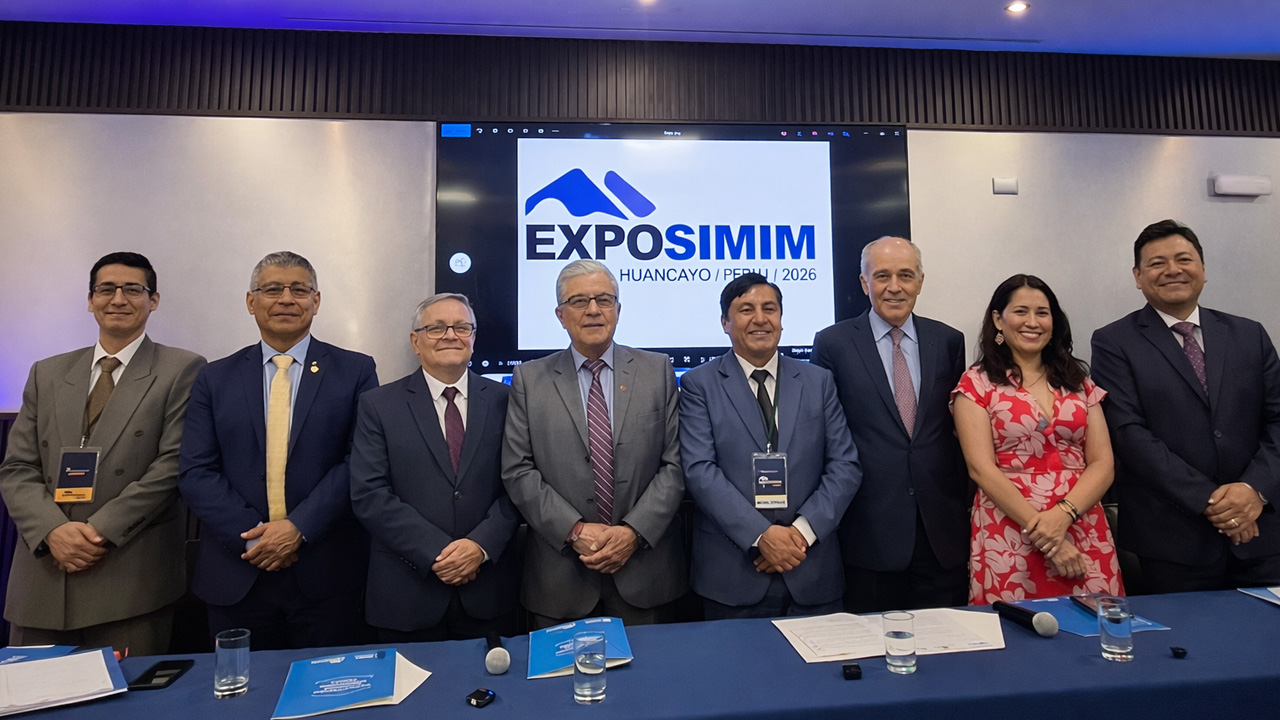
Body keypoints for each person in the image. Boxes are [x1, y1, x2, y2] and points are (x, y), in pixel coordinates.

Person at [0, 252, 204, 655]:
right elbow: (18, 467)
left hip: (127, 576)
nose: (118, 299)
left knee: (126, 693)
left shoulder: (183, 369)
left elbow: (172, 466)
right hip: (43, 573)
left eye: (133, 289)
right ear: (90, 300)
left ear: (153, 300)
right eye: (106, 289)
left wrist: (97, 532)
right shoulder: (47, 373)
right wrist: (53, 531)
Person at [178, 251, 378, 649]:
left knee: (327, 686)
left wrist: (298, 528)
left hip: (325, 573)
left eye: (299, 290)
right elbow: (196, 471)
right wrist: (255, 539)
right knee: (242, 687)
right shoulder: (214, 378)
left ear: (315, 301)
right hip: (237, 572)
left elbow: (359, 461)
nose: (286, 299)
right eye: (272, 289)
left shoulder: (355, 370)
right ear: (251, 301)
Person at [1091, 220, 1280, 592]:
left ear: (1203, 270)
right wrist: (1213, 502)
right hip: (1173, 538)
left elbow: (1277, 419)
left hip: (1261, 529)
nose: (1172, 270)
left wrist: (1252, 490)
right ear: (1138, 277)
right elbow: (1128, 433)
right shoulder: (1114, 342)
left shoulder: (1249, 334)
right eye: (1157, 263)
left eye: (1184, 259)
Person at [502, 259, 687, 629]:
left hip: (645, 573)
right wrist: (574, 531)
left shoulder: (658, 371)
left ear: (618, 309)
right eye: (578, 301)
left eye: (604, 299)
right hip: (560, 579)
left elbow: (676, 463)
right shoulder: (529, 379)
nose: (592, 310)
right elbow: (517, 469)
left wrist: (633, 532)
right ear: (560, 315)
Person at [680, 273, 861, 619]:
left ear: (781, 318)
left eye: (770, 308)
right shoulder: (698, 384)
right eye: (746, 309)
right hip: (734, 573)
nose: (760, 319)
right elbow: (699, 471)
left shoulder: (818, 381)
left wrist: (801, 534)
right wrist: (761, 536)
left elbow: (845, 465)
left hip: (810, 566)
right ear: (725, 322)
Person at [812, 237, 970, 613]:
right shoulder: (833, 343)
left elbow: (956, 430)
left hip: (939, 532)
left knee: (946, 639)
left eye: (906, 275)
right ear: (864, 283)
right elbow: (824, 436)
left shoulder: (948, 341)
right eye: (882, 276)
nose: (894, 287)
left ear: (920, 281)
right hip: (867, 534)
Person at [350, 293, 519, 642]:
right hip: (407, 593)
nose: (450, 335)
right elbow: (370, 494)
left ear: (473, 338)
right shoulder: (378, 405)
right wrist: (439, 553)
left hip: (489, 591)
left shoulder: (507, 401)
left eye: (461, 327)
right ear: (416, 341)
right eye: (437, 328)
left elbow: (519, 485)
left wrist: (479, 547)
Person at [952, 274, 1122, 603]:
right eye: (1021, 311)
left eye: (1042, 313)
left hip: (1082, 521)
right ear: (998, 320)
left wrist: (1063, 516)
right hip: (1010, 529)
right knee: (1016, 627)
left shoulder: (1078, 381)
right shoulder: (976, 384)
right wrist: (1045, 533)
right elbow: (980, 468)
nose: (1033, 322)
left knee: (1096, 623)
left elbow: (1103, 463)